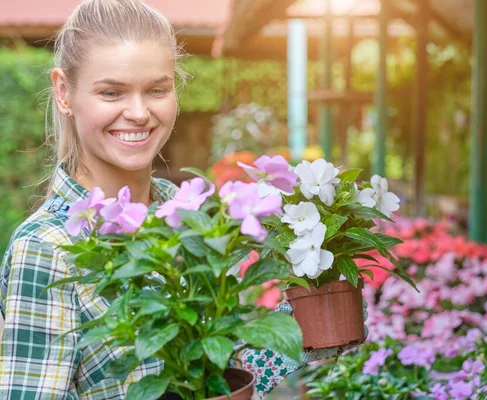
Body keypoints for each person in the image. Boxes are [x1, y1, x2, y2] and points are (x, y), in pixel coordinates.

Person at [0, 0, 361, 398]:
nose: (138, 112)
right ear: (64, 92)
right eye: (111, 92)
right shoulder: (47, 249)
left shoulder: (184, 211)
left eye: (157, 89)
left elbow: (211, 376)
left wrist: (299, 333)